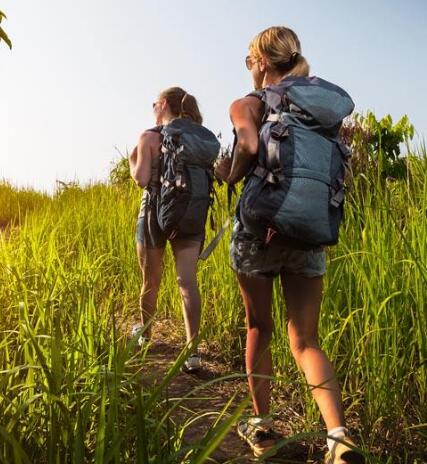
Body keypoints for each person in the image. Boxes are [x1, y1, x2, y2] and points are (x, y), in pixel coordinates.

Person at [215, 26, 364, 463]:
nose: (249, 69)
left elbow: (245, 143)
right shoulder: (319, 109)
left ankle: (262, 428)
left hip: (259, 230)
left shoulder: (250, 103)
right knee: (307, 341)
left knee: (260, 328)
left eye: (249, 60)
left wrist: (230, 173)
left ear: (262, 62)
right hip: (309, 231)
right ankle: (338, 436)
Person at [129, 86, 214, 373]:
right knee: (187, 282)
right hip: (188, 211)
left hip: (154, 211)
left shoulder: (149, 136)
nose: (152, 108)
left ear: (163, 105)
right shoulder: (194, 138)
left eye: (154, 103)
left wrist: (132, 161)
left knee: (150, 280)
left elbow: (141, 179)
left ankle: (146, 335)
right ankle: (193, 352)